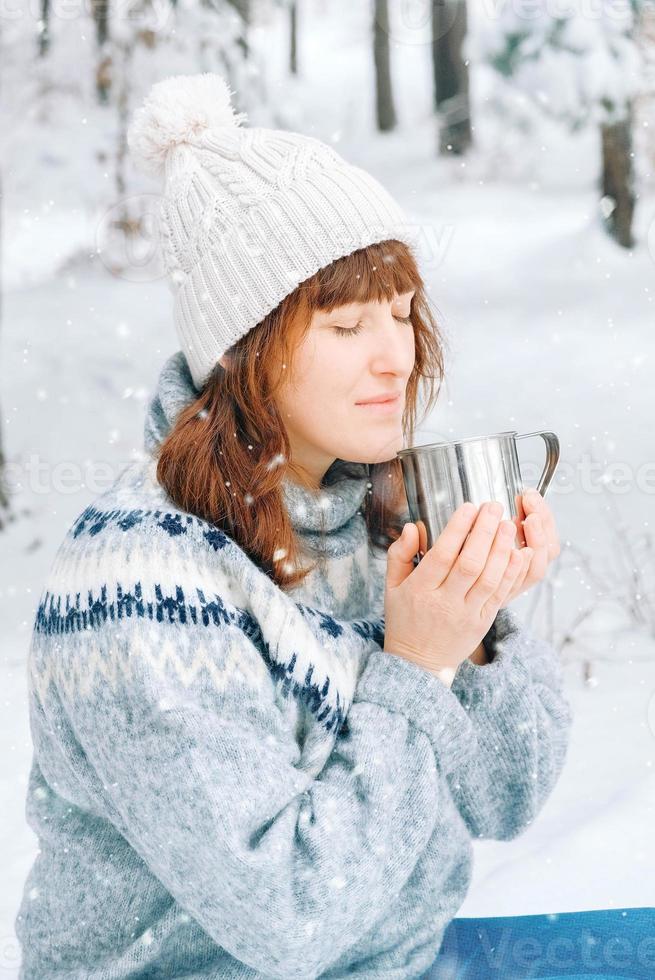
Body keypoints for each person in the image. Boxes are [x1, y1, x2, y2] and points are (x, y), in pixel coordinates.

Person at [15, 73, 573, 978]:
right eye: (346, 324)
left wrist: (476, 629)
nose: (395, 354)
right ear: (243, 352)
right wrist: (415, 664)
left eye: (399, 313)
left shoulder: (375, 510)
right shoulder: (141, 582)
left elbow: (506, 796)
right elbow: (288, 921)